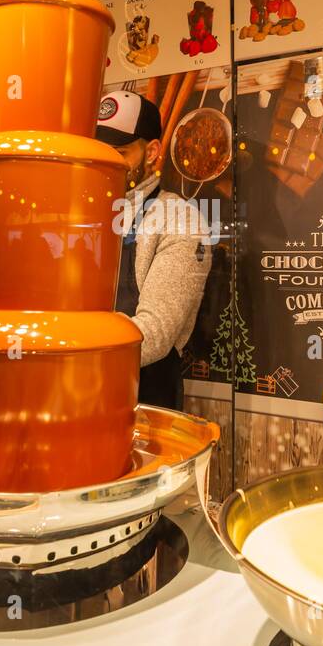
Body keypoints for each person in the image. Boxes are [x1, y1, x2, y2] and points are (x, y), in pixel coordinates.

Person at [95, 90, 211, 409]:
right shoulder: (83, 216)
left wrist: (69, 347)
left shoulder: (179, 219)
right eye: (98, 152)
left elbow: (154, 334)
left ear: (151, 152)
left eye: (119, 152)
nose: (106, 164)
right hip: (77, 393)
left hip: (143, 400)